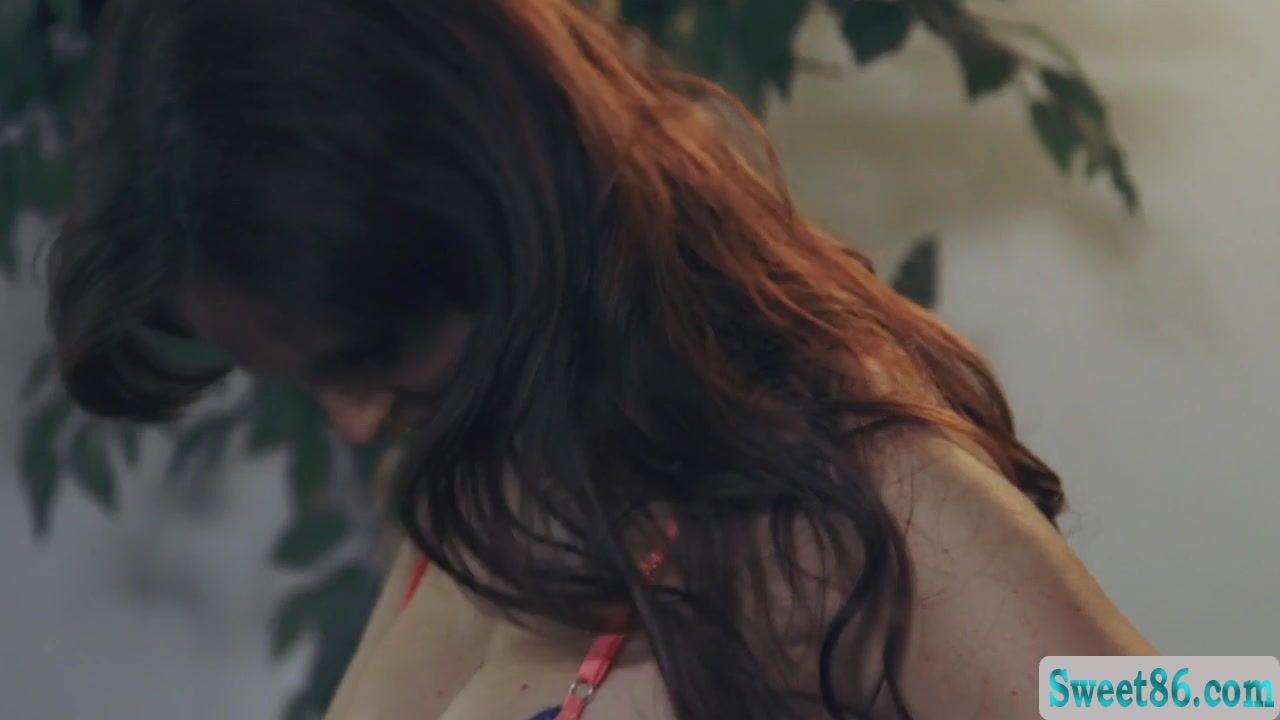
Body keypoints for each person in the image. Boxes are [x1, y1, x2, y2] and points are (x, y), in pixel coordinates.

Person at [44, 0, 1156, 717]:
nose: (353, 419)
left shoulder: (847, 504)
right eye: (305, 376)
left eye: (373, 350)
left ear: (495, 213)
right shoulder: (477, 489)